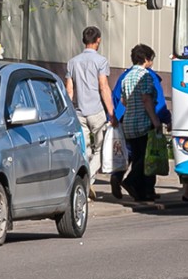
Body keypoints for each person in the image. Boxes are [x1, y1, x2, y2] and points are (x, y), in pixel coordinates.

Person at [64, 26, 116, 199]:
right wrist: (112, 112)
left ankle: (81, 184)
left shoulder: (72, 62)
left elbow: (69, 90)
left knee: (83, 149)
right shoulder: (101, 61)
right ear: (98, 40)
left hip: (78, 111)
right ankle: (89, 179)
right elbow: (103, 86)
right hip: (96, 112)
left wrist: (68, 112)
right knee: (102, 148)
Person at [112, 44, 164, 203]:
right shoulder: (146, 76)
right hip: (143, 122)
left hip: (128, 122)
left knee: (136, 155)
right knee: (145, 158)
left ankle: (139, 192)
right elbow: (146, 99)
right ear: (146, 59)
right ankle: (131, 181)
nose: (152, 63)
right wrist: (156, 120)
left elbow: (124, 100)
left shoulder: (126, 77)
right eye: (151, 60)